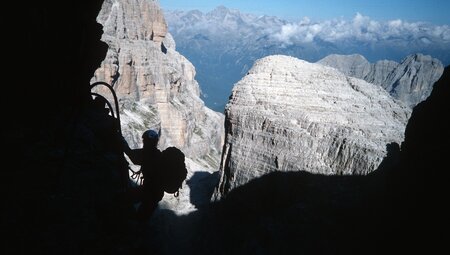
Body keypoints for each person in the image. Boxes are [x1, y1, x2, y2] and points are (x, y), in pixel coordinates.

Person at [122, 129, 165, 221]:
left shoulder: (147, 153)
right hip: (154, 192)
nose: (144, 143)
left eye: (145, 141)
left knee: (140, 216)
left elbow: (133, 156)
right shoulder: (158, 154)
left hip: (150, 191)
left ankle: (135, 230)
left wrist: (123, 143)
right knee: (142, 214)